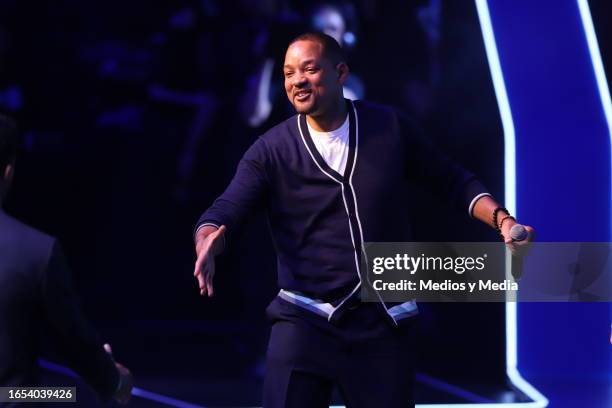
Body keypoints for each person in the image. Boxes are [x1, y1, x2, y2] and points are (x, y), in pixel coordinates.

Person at [193, 32, 534, 407]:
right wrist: (209, 239)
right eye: (289, 73)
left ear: (340, 73)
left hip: (382, 324)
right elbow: (225, 209)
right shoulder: (271, 149)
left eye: (309, 69)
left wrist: (502, 220)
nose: (297, 81)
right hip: (304, 320)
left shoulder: (387, 128)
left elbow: (451, 180)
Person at [0, 115, 133, 405]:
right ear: (8, 171)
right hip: (14, 399)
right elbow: (76, 345)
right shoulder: (36, 252)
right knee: (68, 396)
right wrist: (112, 378)